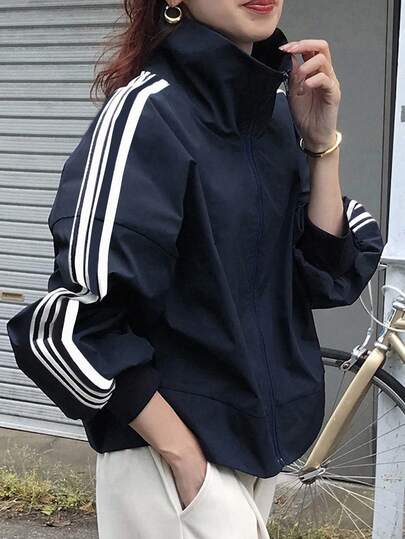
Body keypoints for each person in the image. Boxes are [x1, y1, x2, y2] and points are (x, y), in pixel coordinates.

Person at [6, 0, 384, 537]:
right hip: (170, 464)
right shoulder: (146, 113)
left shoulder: (275, 114)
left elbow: (324, 275)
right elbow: (71, 327)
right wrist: (185, 463)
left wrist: (321, 145)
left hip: (252, 455)